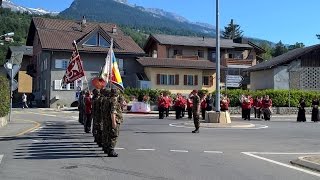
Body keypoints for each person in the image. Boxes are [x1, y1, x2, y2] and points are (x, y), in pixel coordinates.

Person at [106, 88, 125, 157]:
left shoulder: (109, 99)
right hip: (115, 120)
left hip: (108, 120)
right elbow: (113, 112)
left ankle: (109, 149)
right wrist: (114, 122)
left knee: (110, 134)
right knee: (114, 135)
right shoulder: (114, 100)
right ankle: (111, 150)